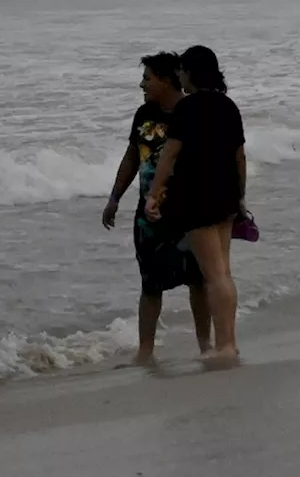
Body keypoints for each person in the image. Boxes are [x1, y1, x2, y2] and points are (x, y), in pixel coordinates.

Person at [102, 52, 211, 365]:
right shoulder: (144, 113)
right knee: (150, 283)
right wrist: (114, 197)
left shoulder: (191, 111)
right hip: (148, 215)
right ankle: (145, 353)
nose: (142, 84)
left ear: (165, 79)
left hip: (189, 211)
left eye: (147, 78)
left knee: (198, 280)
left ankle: (206, 346)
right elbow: (132, 157)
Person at [145, 45, 245, 366]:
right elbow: (239, 157)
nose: (180, 76)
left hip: (198, 199)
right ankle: (228, 342)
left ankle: (225, 345)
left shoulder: (187, 108)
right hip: (227, 196)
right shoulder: (228, 106)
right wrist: (240, 196)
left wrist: (154, 193)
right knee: (223, 273)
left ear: (191, 72)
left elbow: (170, 154)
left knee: (214, 276)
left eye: (183, 71)